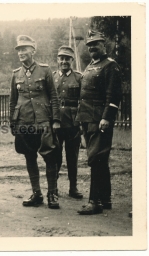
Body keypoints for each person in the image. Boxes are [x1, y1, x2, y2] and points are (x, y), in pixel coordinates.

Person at [9, 35, 61, 209]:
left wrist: (55, 120)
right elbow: (13, 101)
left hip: (44, 121)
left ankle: (52, 194)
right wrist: (13, 124)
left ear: (33, 50)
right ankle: (36, 193)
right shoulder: (16, 74)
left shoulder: (45, 71)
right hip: (24, 122)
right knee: (29, 156)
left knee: (50, 156)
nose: (21, 53)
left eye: (25, 49)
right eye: (19, 50)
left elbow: (53, 96)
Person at [76, 30, 122, 215]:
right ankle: (106, 199)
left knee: (96, 158)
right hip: (88, 119)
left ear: (104, 45)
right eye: (90, 45)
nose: (92, 47)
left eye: (96, 44)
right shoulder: (90, 65)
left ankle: (94, 202)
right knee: (100, 159)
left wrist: (106, 117)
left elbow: (113, 96)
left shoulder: (110, 66)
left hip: (99, 120)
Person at [52, 46, 83, 199]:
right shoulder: (52, 77)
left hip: (73, 124)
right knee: (55, 156)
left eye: (67, 59)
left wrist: (80, 123)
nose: (64, 61)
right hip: (56, 123)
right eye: (61, 58)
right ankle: (54, 187)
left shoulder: (79, 78)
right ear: (58, 60)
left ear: (72, 60)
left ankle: (73, 187)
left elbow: (83, 102)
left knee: (72, 156)